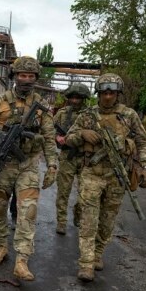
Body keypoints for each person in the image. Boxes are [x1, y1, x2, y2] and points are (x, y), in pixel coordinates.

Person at [0, 56, 58, 281]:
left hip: (27, 165)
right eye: (22, 75)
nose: (26, 80)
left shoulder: (42, 107)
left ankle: (22, 260)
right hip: (3, 164)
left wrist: (53, 165)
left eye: (30, 76)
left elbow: (48, 137)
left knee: (27, 211)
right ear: (14, 77)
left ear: (36, 78)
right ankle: (0, 245)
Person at [65, 73, 146, 282]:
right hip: (91, 173)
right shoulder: (87, 115)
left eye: (112, 93)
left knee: (107, 220)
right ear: (98, 94)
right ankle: (85, 263)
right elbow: (68, 138)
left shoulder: (129, 115)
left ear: (118, 94)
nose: (108, 97)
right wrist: (83, 134)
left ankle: (97, 253)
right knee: (89, 219)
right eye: (104, 93)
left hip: (117, 174)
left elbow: (143, 142)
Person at [53, 83, 90, 235]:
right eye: (72, 97)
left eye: (78, 98)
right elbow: (49, 130)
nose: (75, 101)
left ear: (84, 99)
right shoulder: (62, 113)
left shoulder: (90, 114)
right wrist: (57, 137)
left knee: (86, 193)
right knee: (63, 191)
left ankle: (79, 213)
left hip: (85, 158)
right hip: (67, 156)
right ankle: (61, 221)